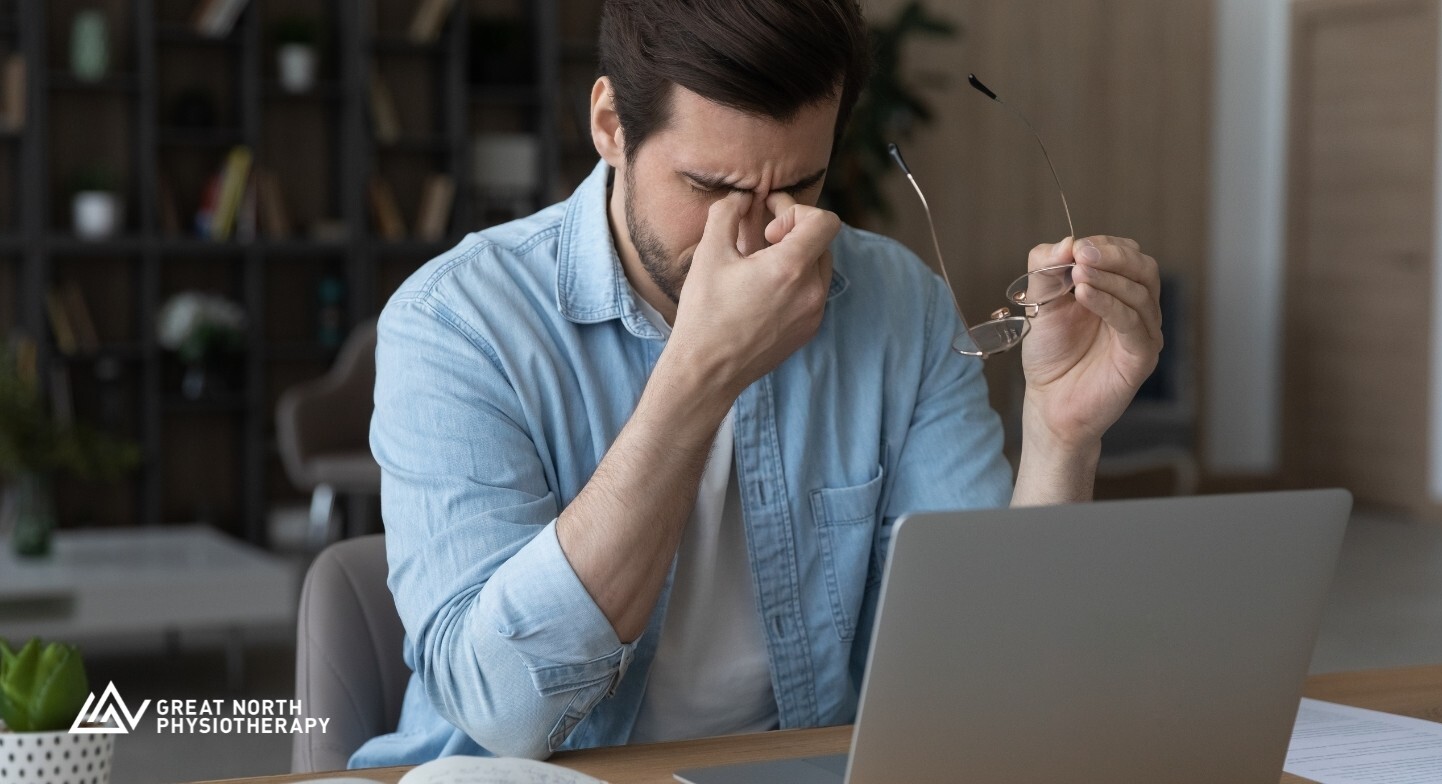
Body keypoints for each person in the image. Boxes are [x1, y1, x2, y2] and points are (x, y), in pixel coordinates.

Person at [349, 0, 1162, 768]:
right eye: (707, 187)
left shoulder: (900, 306)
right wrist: (704, 372)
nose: (757, 232)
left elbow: (986, 680)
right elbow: (504, 715)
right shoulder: (457, 322)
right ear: (609, 125)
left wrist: (1061, 437)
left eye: (800, 187)